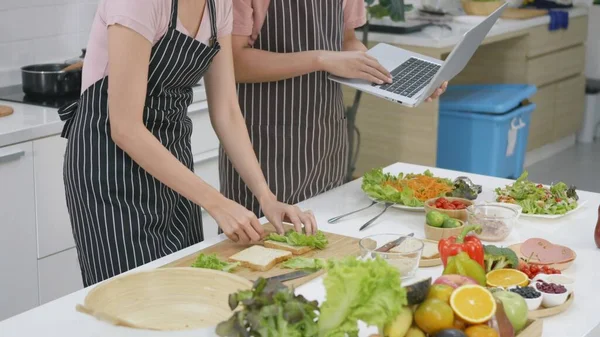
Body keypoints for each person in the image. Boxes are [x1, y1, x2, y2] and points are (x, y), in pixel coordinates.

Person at [58, 0, 315, 287]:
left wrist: (266, 197)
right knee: (134, 301)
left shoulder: (219, 5)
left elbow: (227, 110)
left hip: (173, 164)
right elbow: (125, 128)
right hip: (108, 165)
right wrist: (216, 202)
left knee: (185, 288)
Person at [220, 0, 448, 217]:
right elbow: (234, 63)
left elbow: (347, 40)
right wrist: (319, 59)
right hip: (265, 145)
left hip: (326, 140)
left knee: (326, 239)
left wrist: (398, 77)